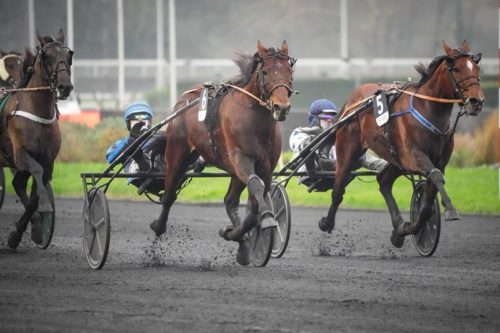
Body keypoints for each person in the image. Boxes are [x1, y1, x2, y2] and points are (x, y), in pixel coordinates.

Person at [289, 99, 387, 177]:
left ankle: (387, 166)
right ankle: (334, 165)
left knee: (357, 153)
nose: (330, 121)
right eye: (326, 117)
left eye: (333, 118)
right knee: (310, 149)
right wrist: (321, 135)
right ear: (315, 119)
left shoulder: (338, 136)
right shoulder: (300, 132)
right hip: (311, 169)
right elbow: (303, 146)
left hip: (336, 166)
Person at [106, 101, 158, 191]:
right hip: (138, 175)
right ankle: (141, 159)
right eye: (136, 121)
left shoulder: (157, 138)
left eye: (144, 121)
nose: (140, 124)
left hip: (161, 170)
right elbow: (110, 158)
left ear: (150, 122)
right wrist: (131, 140)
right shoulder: (123, 143)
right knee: (133, 148)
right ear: (128, 124)